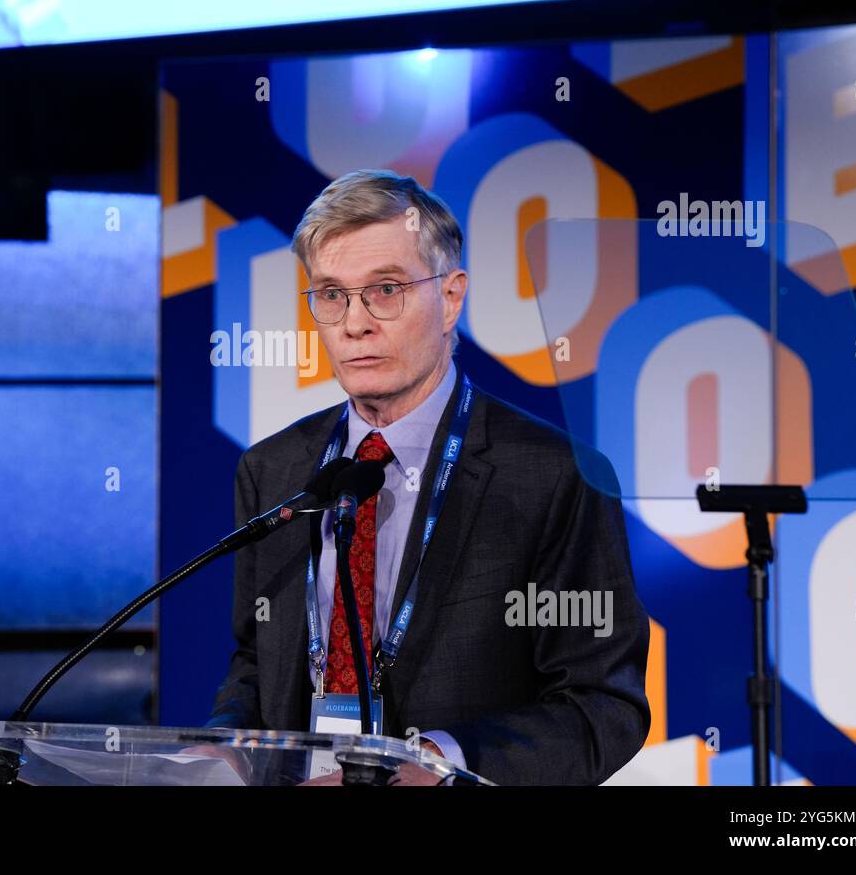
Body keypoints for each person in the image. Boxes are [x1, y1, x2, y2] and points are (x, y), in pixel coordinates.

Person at [205, 169, 650, 785]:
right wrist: (226, 749)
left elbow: (602, 707)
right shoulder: (272, 470)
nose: (354, 323)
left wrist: (440, 765)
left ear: (451, 297)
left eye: (385, 289)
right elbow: (257, 662)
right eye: (331, 294)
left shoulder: (553, 476)